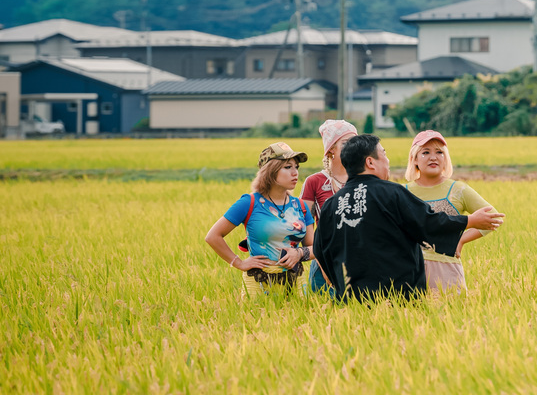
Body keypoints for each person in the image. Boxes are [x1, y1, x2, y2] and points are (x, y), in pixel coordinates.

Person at [314, 134, 505, 301]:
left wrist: (338, 280)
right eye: (385, 154)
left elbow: (320, 249)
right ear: (370, 162)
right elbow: (427, 222)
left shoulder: (331, 204)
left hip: (350, 298)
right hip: (397, 297)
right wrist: (469, 221)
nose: (388, 161)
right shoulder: (392, 193)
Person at [205, 142, 316, 297]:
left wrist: (298, 253)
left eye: (296, 167)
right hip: (258, 284)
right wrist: (239, 263)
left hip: (295, 283)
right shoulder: (249, 203)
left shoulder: (301, 207)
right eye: (287, 167)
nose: (295, 172)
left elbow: (315, 247)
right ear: (270, 171)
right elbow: (212, 236)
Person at [404, 129, 498, 293]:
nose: (433, 157)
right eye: (425, 152)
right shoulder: (402, 192)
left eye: (439, 152)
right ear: (415, 160)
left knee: (450, 315)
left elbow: (493, 217)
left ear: (445, 159)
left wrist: (460, 240)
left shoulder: (458, 189)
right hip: (409, 269)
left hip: (446, 269)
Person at [301, 119, 357, 293]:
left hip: (359, 260)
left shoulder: (363, 179)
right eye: (346, 143)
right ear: (331, 149)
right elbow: (306, 227)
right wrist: (323, 264)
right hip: (323, 260)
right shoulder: (314, 182)